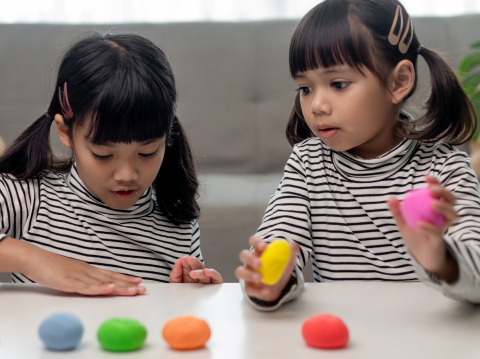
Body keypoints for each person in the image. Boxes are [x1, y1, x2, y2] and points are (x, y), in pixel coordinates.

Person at [236, 0, 480, 310]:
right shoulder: (309, 162)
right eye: (305, 88)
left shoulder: (446, 169)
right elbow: (280, 233)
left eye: (338, 84)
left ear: (398, 81)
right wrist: (268, 278)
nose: (316, 106)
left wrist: (443, 259)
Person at [0, 32, 222, 296]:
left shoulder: (178, 226)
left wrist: (190, 296)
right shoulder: (26, 197)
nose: (127, 175)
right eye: (103, 155)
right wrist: (33, 259)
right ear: (65, 132)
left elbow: (172, 320)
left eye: (148, 152)